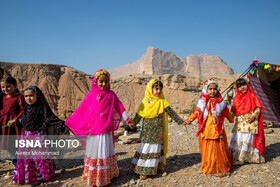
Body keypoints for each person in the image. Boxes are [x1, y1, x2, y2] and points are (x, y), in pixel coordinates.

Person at [65, 69, 130, 187]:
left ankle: (105, 176)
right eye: (101, 81)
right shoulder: (91, 95)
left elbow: (120, 107)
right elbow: (82, 110)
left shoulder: (111, 95)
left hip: (106, 131)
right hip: (94, 130)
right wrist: (71, 121)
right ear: (96, 81)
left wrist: (127, 120)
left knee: (104, 151)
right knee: (95, 153)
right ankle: (94, 176)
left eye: (106, 81)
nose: (104, 84)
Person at [128, 79, 186, 180]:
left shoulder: (163, 102)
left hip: (158, 131)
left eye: (160, 89)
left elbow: (171, 113)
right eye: (156, 88)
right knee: (147, 148)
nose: (158, 91)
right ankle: (143, 170)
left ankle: (155, 167)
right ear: (151, 89)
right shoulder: (145, 102)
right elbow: (139, 115)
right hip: (147, 131)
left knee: (156, 148)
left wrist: (181, 121)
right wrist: (133, 123)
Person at [12, 86, 67, 184]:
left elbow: (51, 119)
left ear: (37, 95)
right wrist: (18, 121)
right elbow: (26, 121)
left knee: (38, 157)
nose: (29, 98)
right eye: (26, 96)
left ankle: (41, 176)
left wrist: (65, 124)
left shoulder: (42, 108)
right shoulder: (26, 108)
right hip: (26, 136)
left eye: (31, 95)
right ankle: (29, 177)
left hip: (38, 136)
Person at [185, 79, 234, 177]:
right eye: (210, 89)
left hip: (218, 129)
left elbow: (226, 111)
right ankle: (211, 167)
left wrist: (231, 119)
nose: (212, 91)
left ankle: (221, 168)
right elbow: (196, 112)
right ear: (206, 89)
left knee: (219, 149)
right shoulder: (202, 101)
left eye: (215, 89)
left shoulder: (220, 101)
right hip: (206, 129)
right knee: (209, 149)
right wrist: (189, 120)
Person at [229, 78, 265, 164]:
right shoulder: (236, 98)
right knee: (239, 138)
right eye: (239, 86)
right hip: (240, 123)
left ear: (247, 85)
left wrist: (253, 116)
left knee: (248, 139)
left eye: (244, 85)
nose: (242, 87)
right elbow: (233, 110)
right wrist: (229, 116)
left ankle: (250, 158)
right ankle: (238, 158)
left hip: (250, 122)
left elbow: (258, 107)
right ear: (237, 88)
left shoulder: (252, 95)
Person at [0, 77, 24, 176]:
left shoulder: (19, 97)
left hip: (15, 127)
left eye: (8, 86)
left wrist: (15, 119)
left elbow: (23, 110)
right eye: (3, 87)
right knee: (9, 146)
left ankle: (19, 168)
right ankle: (17, 167)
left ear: (15, 86)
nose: (5, 89)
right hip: (5, 126)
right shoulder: (4, 97)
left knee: (16, 146)